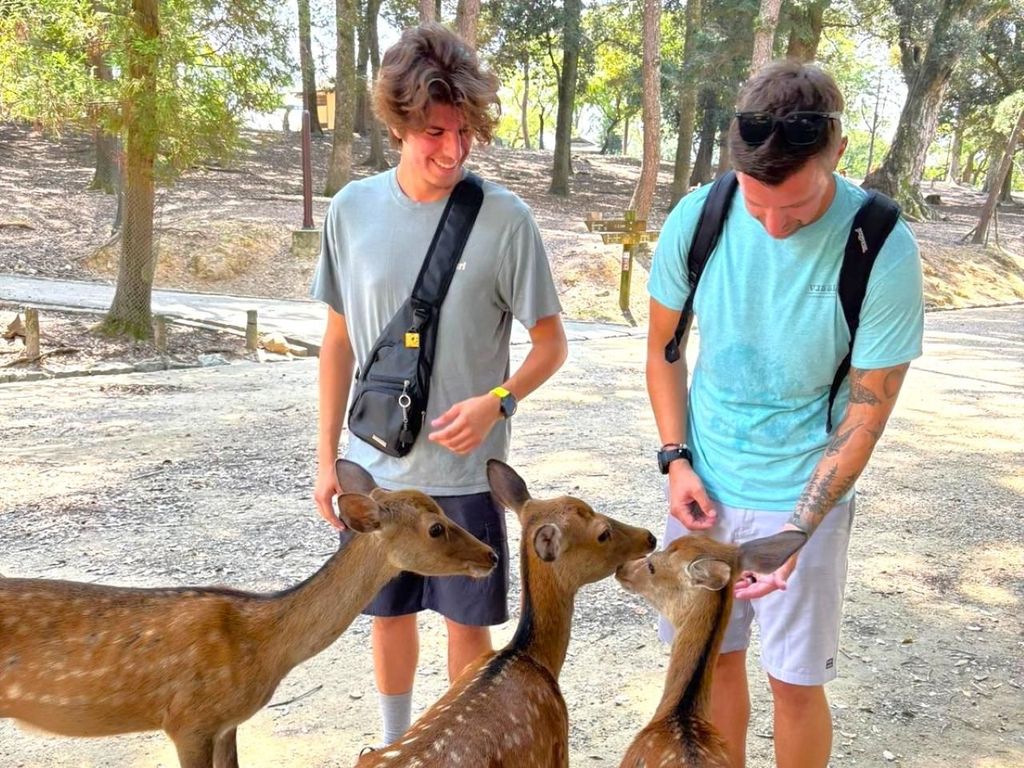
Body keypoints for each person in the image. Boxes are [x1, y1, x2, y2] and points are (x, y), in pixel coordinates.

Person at [646, 60, 924, 768]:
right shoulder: (699, 217)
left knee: (795, 682)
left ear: (835, 152)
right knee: (711, 665)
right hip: (703, 489)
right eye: (758, 202)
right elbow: (664, 352)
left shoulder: (880, 244)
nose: (772, 225)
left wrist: (798, 530)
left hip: (805, 502)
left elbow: (866, 413)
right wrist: (675, 460)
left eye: (794, 210)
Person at [309, 23, 567, 747]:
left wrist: (500, 402)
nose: (452, 150)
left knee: (467, 628)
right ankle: (395, 747)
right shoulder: (350, 211)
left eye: (463, 132)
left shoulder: (505, 221)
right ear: (397, 124)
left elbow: (551, 345)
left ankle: (460, 753)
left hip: (464, 473)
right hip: (377, 469)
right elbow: (337, 343)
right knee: (387, 618)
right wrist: (326, 457)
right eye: (432, 132)